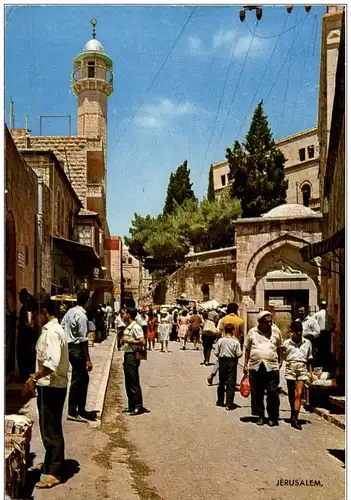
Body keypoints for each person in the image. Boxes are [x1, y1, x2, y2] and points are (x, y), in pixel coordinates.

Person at [23, 295, 69, 489]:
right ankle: (52, 462)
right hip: (50, 385)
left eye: (35, 313)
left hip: (51, 385)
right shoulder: (51, 330)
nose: (34, 317)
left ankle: (54, 472)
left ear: (44, 312)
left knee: (51, 429)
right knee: (49, 426)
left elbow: (51, 363)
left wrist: (34, 378)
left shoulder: (52, 332)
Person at [244, 310, 283, 427]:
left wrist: (280, 361)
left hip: (272, 366)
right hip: (256, 366)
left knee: (272, 392)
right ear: (260, 322)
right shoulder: (252, 332)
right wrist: (245, 364)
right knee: (257, 392)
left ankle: (273, 417)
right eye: (267, 322)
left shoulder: (276, 331)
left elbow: (280, 347)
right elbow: (247, 349)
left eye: (271, 322)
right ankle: (260, 415)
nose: (270, 324)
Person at [61, 291, 93, 422]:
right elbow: (83, 339)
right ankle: (73, 411)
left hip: (69, 346)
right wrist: (88, 359)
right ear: (87, 301)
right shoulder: (82, 316)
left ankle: (81, 409)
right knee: (77, 380)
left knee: (83, 379)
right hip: (77, 348)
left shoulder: (69, 312)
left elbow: (62, 326)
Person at [282, 320, 313, 430]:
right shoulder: (286, 344)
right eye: (296, 331)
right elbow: (283, 356)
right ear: (292, 331)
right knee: (291, 393)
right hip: (291, 366)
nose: (299, 333)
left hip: (302, 367)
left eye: (300, 331)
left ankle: (295, 418)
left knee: (299, 394)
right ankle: (292, 413)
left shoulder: (307, 343)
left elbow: (309, 358)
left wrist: (310, 373)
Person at [122, 308, 147, 415]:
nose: (123, 315)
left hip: (132, 355)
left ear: (129, 315)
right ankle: (131, 405)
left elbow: (142, 341)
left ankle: (138, 406)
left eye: (125, 313)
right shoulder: (128, 326)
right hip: (127, 355)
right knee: (128, 381)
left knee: (133, 381)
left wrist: (129, 341)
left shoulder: (136, 327)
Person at [214, 324, 242, 411]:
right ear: (233, 331)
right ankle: (229, 403)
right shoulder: (236, 342)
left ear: (225, 331)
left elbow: (216, 352)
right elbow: (239, 354)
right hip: (232, 362)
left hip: (222, 361)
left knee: (221, 381)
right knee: (231, 382)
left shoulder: (220, 341)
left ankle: (220, 400)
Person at [17, 288, 35, 381]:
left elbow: (28, 322)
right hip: (26, 334)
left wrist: (20, 325)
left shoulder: (27, 308)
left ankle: (24, 376)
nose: (19, 298)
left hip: (25, 335)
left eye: (20, 296)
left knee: (24, 355)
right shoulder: (25, 307)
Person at [314, 301, 334, 369]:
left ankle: (320, 365)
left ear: (320, 306)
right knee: (326, 350)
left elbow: (313, 324)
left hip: (320, 334)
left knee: (319, 350)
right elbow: (333, 324)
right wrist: (330, 331)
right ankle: (325, 366)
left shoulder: (316, 314)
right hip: (327, 334)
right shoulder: (330, 315)